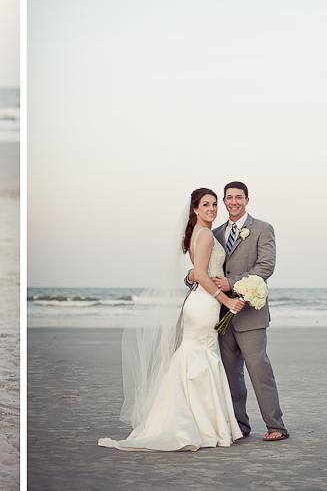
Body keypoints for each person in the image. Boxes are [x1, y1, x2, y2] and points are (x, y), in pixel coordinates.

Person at [98, 188, 244, 451]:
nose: (212, 209)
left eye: (214, 204)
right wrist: (227, 300)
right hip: (204, 303)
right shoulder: (207, 235)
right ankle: (201, 425)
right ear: (195, 210)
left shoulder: (195, 234)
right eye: (206, 205)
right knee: (200, 357)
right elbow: (200, 274)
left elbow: (194, 272)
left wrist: (201, 280)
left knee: (194, 356)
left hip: (198, 302)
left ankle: (195, 420)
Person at [186, 181, 288, 441]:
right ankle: (239, 427)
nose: (233, 202)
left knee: (259, 370)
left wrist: (233, 284)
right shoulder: (215, 232)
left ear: (247, 199)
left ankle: (275, 425)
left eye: (238, 197)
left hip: (250, 313)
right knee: (230, 375)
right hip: (218, 313)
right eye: (228, 198)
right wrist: (191, 278)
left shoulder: (262, 229)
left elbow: (266, 267)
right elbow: (204, 268)